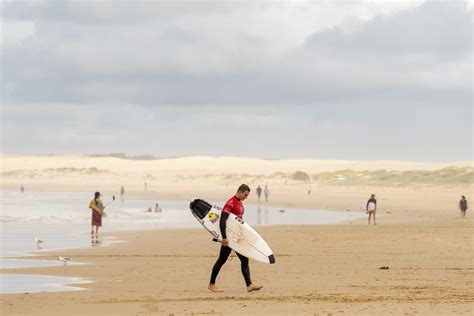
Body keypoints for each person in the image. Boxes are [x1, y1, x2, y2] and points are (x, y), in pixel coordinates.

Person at [208, 184, 263, 293]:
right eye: (245, 195)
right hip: (229, 238)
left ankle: (249, 285)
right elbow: (222, 220)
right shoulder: (231, 203)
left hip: (236, 237)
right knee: (221, 260)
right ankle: (211, 284)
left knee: (244, 260)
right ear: (240, 191)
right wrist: (224, 237)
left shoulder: (239, 203)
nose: (246, 197)